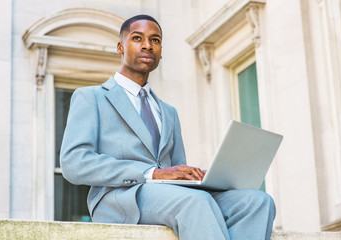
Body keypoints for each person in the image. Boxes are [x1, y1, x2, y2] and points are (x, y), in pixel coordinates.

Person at [60, 14, 276, 240]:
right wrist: (152, 173)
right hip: (121, 198)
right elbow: (74, 162)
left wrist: (194, 177)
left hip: (173, 196)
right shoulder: (91, 97)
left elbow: (175, 169)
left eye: (155, 40)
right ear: (120, 47)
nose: (147, 45)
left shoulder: (168, 112)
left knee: (257, 202)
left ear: (161, 52)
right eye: (137, 38)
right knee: (194, 202)